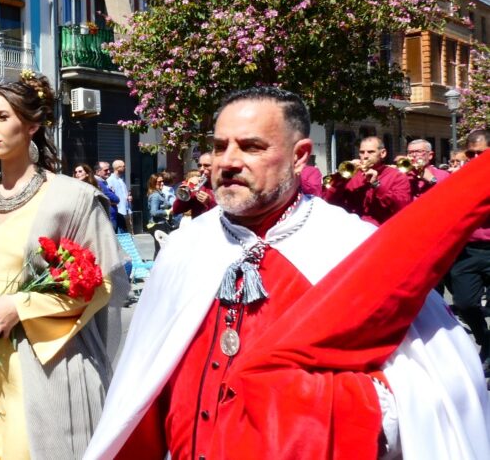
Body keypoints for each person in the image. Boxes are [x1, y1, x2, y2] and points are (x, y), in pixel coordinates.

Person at [84, 87, 490, 459]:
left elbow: (439, 383)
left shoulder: (348, 244)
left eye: (251, 147)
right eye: (219, 146)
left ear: (300, 156)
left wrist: (312, 406)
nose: (227, 162)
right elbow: (143, 382)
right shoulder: (187, 247)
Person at [0, 75, 129, 459]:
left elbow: (104, 282)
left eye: (1, 116)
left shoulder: (72, 197)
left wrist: (22, 306)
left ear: (32, 125)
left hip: (41, 358)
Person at [448, 129, 490, 366]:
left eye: (481, 154)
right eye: (471, 154)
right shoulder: (460, 176)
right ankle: (486, 339)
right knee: (464, 303)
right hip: (469, 249)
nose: (475, 159)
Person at [322, 136, 411, 225]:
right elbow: (328, 201)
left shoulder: (397, 176)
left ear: (383, 153)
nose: (365, 156)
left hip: (381, 230)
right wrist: (340, 179)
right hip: (352, 228)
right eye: (362, 152)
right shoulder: (352, 174)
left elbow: (401, 206)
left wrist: (377, 185)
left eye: (370, 152)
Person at [107, 159, 132, 233]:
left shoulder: (121, 180)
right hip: (118, 211)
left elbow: (123, 194)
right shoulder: (110, 180)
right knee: (120, 234)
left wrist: (128, 198)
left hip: (125, 210)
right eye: (123, 166)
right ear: (118, 168)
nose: (125, 168)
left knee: (125, 233)